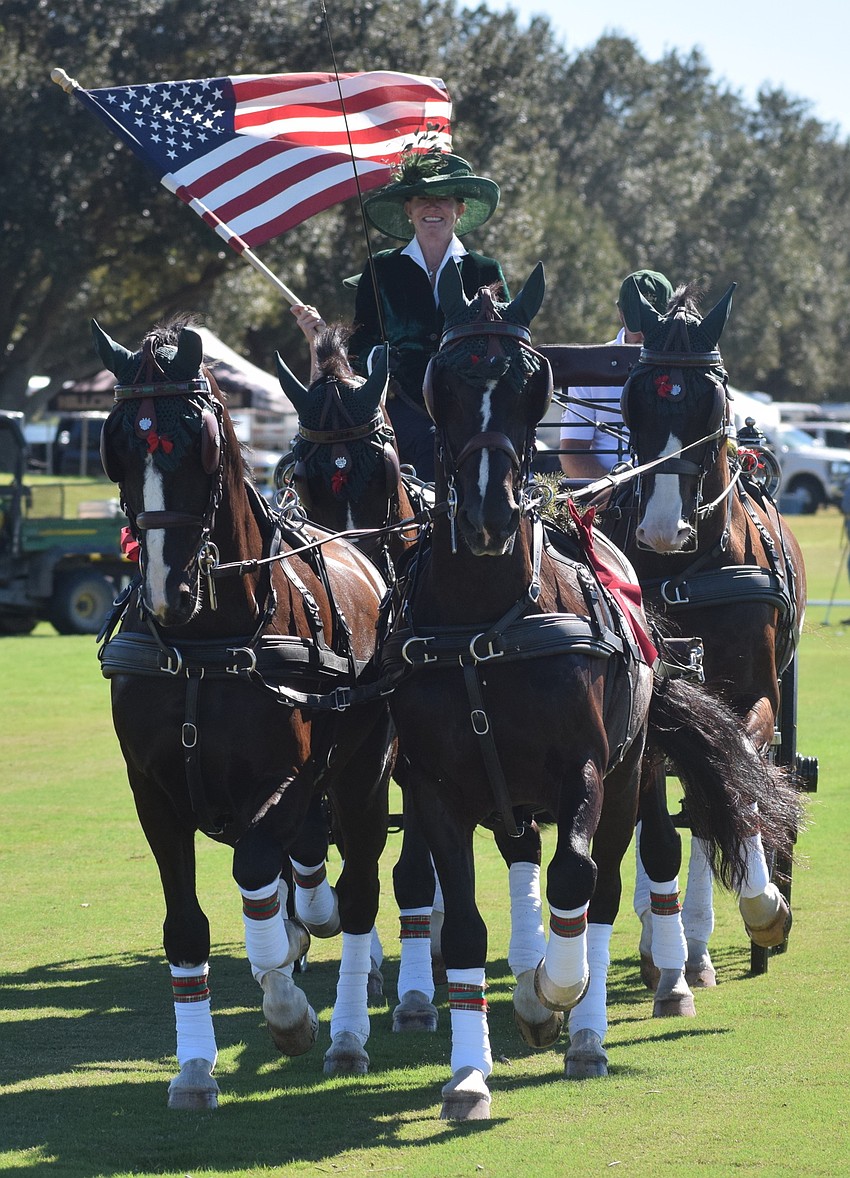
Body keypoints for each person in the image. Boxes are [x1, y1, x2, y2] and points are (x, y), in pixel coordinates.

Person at [291, 149, 509, 482]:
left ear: (459, 210)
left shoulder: (485, 270)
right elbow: (360, 345)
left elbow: (506, 345)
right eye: (422, 198)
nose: (432, 207)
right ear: (408, 209)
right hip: (397, 417)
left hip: (471, 418)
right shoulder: (381, 269)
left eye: (443, 199)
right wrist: (324, 341)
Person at [559, 269, 674, 483]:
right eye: (637, 323)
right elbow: (571, 453)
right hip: (608, 499)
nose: (644, 334)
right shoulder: (592, 366)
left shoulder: (690, 367)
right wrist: (615, 489)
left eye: (654, 322)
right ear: (621, 313)